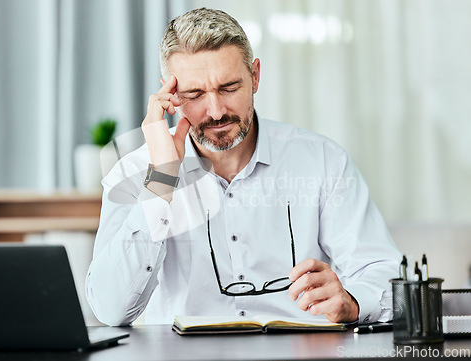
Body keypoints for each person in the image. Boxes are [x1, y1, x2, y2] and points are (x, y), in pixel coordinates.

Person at [85, 7, 402, 326]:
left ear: (255, 76)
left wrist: (352, 302)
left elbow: (387, 277)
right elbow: (111, 310)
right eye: (195, 94)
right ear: (172, 94)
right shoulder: (133, 171)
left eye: (229, 88)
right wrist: (162, 177)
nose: (216, 111)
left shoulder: (323, 161)